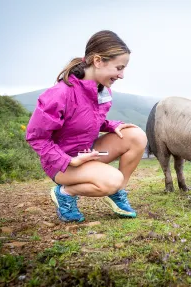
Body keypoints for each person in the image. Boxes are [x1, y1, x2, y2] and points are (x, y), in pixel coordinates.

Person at [26, 30, 147, 222]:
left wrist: (111, 125)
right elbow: (36, 137)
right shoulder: (59, 94)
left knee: (135, 135)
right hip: (62, 163)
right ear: (98, 61)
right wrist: (68, 161)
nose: (122, 75)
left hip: (86, 152)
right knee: (113, 178)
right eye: (119, 67)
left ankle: (117, 191)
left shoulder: (103, 91)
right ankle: (65, 193)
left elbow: (86, 120)